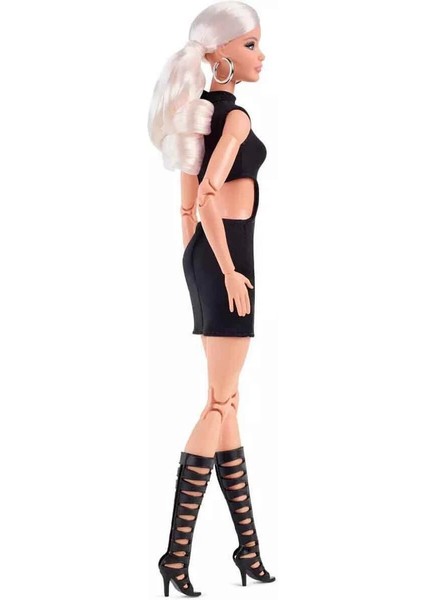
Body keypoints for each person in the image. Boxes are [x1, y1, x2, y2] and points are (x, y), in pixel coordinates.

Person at [147, 1, 275, 596]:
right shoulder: (236, 118)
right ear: (221, 54)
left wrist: (195, 266)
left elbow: (185, 208)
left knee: (228, 400)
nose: (261, 56)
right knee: (220, 402)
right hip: (230, 259)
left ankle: (248, 548)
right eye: (250, 45)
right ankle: (175, 556)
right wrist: (226, 272)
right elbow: (205, 199)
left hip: (204, 256)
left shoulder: (194, 115)